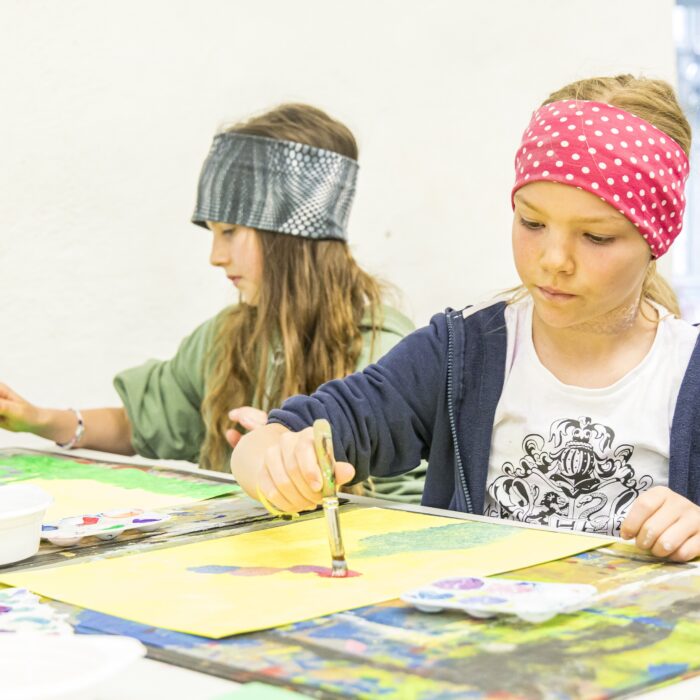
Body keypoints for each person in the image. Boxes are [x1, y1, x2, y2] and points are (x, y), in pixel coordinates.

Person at [231, 76, 700, 562]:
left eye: (596, 237)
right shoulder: (461, 351)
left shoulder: (688, 369)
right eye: (532, 223)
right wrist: (272, 457)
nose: (554, 259)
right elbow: (290, 432)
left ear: (656, 239)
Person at [0, 103, 426, 502]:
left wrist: (293, 471)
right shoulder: (225, 335)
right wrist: (38, 420)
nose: (215, 256)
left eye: (230, 232)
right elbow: (142, 423)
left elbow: (411, 508)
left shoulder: (383, 350)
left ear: (290, 237)